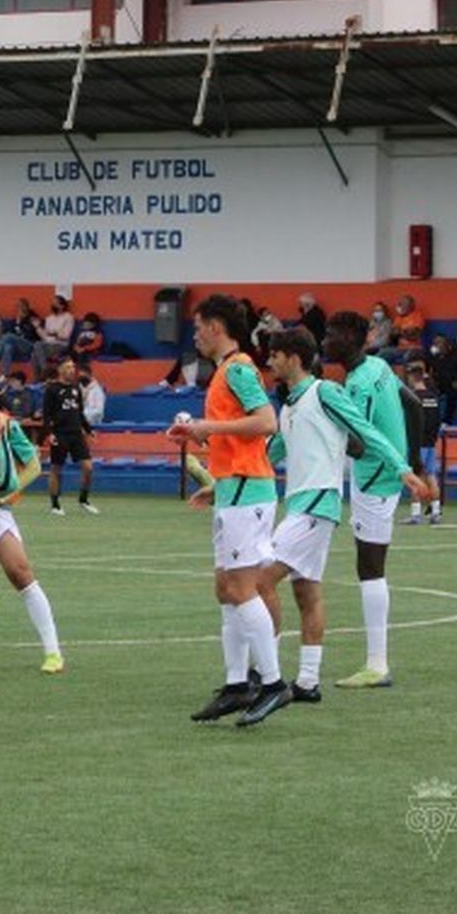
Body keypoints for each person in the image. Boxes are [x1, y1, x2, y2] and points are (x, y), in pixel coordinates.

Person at [256, 328, 428, 704]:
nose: (269, 361)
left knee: (259, 581)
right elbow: (269, 455)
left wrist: (402, 467)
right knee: (307, 593)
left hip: (318, 505)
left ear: (293, 358)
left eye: (274, 355)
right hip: (302, 505)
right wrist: (225, 481)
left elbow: (365, 430)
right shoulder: (289, 406)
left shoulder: (327, 392)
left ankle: (265, 678)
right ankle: (307, 683)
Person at [166, 294, 290, 727]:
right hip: (235, 488)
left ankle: (273, 683)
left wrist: (207, 428)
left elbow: (266, 422)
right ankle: (237, 685)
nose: (195, 334)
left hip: (247, 491)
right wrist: (198, 440)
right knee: (226, 588)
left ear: (217, 327)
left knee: (241, 589)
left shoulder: (237, 369)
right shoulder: (226, 371)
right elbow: (241, 434)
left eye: (199, 326)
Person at [322, 310, 424, 690]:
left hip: (375, 478)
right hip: (388, 473)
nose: (325, 340)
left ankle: (377, 663)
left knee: (370, 566)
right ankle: (375, 662)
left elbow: (360, 443)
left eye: (332, 333)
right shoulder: (380, 366)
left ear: (352, 337)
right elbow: (413, 406)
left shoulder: (359, 385)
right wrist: (412, 460)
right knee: (370, 565)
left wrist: (326, 427)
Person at [0, 394, 65, 674]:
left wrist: (0, 500)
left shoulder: (4, 425)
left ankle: (53, 652)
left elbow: (33, 466)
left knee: (21, 573)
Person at [43, 359, 98, 515]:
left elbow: (79, 412)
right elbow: (47, 415)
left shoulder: (76, 388)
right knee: (56, 469)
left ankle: (83, 500)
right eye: (67, 367)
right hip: (60, 433)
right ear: (60, 370)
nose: (72, 370)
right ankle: (55, 504)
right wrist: (50, 433)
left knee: (88, 467)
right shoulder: (52, 389)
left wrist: (88, 430)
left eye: (73, 367)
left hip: (76, 433)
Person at [404, 362, 443, 525]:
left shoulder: (412, 397)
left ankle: (415, 514)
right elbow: (437, 420)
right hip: (430, 443)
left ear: (412, 377)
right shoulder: (433, 397)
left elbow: (409, 422)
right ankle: (435, 512)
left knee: (414, 478)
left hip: (417, 444)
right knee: (431, 477)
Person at [31, 295, 74, 380]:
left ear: (62, 306)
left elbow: (66, 336)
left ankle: (40, 379)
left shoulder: (68, 317)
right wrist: (37, 327)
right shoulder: (49, 318)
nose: (53, 305)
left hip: (61, 345)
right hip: (48, 345)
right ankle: (43, 376)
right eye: (53, 303)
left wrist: (55, 333)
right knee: (35, 351)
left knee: (35, 352)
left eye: (56, 303)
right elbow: (45, 337)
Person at [0, 299, 38, 375]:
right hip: (16, 349)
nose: (20, 309)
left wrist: (20, 323)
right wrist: (17, 323)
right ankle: (5, 375)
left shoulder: (33, 319)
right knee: (8, 347)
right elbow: (8, 336)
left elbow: (30, 334)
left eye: (22, 306)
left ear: (27, 307)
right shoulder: (13, 321)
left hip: (29, 346)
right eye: (18, 307)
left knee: (9, 336)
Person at [381, 295, 426, 365]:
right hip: (400, 348)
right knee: (382, 353)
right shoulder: (399, 318)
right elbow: (393, 334)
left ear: (411, 306)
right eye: (400, 304)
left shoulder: (417, 316)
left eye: (403, 304)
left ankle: (403, 375)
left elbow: (414, 336)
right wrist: (405, 332)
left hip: (414, 348)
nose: (400, 306)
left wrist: (400, 332)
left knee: (407, 357)